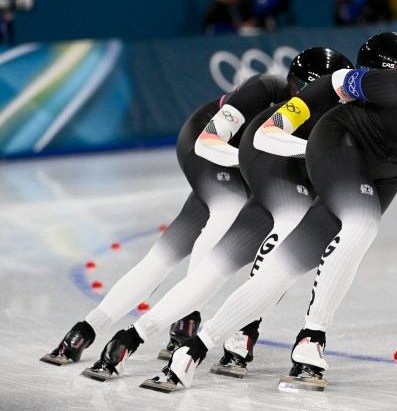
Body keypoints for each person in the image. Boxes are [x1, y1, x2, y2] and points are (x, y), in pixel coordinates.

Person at [149, 27, 397, 392]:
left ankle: (192, 351)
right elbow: (334, 83)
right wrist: (287, 118)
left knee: (282, 269)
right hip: (339, 142)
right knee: (361, 223)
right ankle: (312, 339)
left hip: (385, 174)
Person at [85, 33, 397, 387]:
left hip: (286, 167)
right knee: (275, 231)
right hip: (254, 155)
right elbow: (254, 137)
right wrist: (316, 152)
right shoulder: (285, 89)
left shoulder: (385, 108)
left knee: (220, 268)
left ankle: (130, 338)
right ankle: (239, 331)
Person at [39, 46, 350, 374]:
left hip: (250, 163)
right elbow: (210, 141)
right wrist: (277, 155)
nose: (308, 102)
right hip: (208, 145)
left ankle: (83, 332)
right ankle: (187, 319)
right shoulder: (263, 89)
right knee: (226, 209)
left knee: (169, 252)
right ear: (290, 85)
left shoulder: (331, 114)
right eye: (301, 91)